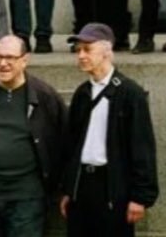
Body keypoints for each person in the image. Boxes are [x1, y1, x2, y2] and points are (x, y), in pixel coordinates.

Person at [0, 34, 67, 237]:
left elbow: (62, 143)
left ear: (24, 60)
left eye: (10, 57)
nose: (3, 63)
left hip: (26, 200)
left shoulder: (46, 97)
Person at [60, 23, 158, 237]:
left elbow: (142, 146)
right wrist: (68, 189)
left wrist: (140, 197)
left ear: (106, 52)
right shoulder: (82, 93)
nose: (81, 56)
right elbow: (72, 144)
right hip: (82, 186)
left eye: (87, 49)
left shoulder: (130, 93)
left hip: (112, 187)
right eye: (78, 50)